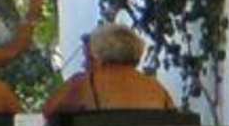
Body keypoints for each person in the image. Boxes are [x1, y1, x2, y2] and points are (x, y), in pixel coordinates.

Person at [43, 19, 176, 116]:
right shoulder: (157, 88)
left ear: (99, 53)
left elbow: (48, 113)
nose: (84, 64)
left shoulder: (84, 83)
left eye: (89, 57)